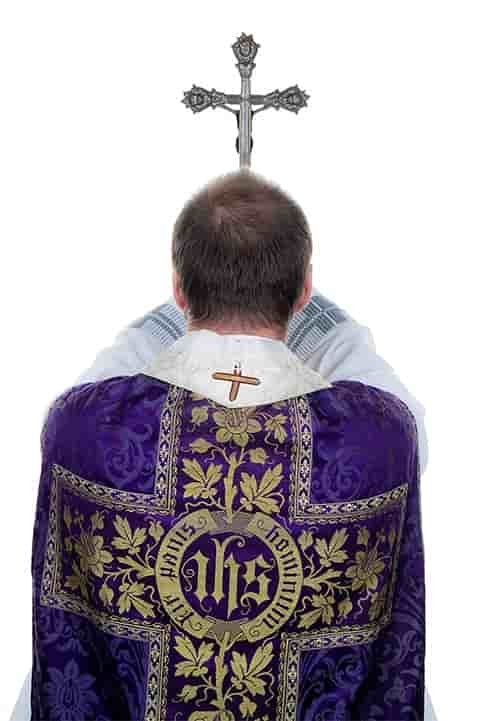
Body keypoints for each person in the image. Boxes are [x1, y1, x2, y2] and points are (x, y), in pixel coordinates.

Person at [12, 169, 436, 719]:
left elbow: (97, 386)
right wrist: (319, 317)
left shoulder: (82, 428)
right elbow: (398, 410)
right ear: (304, 291)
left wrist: (175, 313)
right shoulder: (379, 437)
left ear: (178, 289)